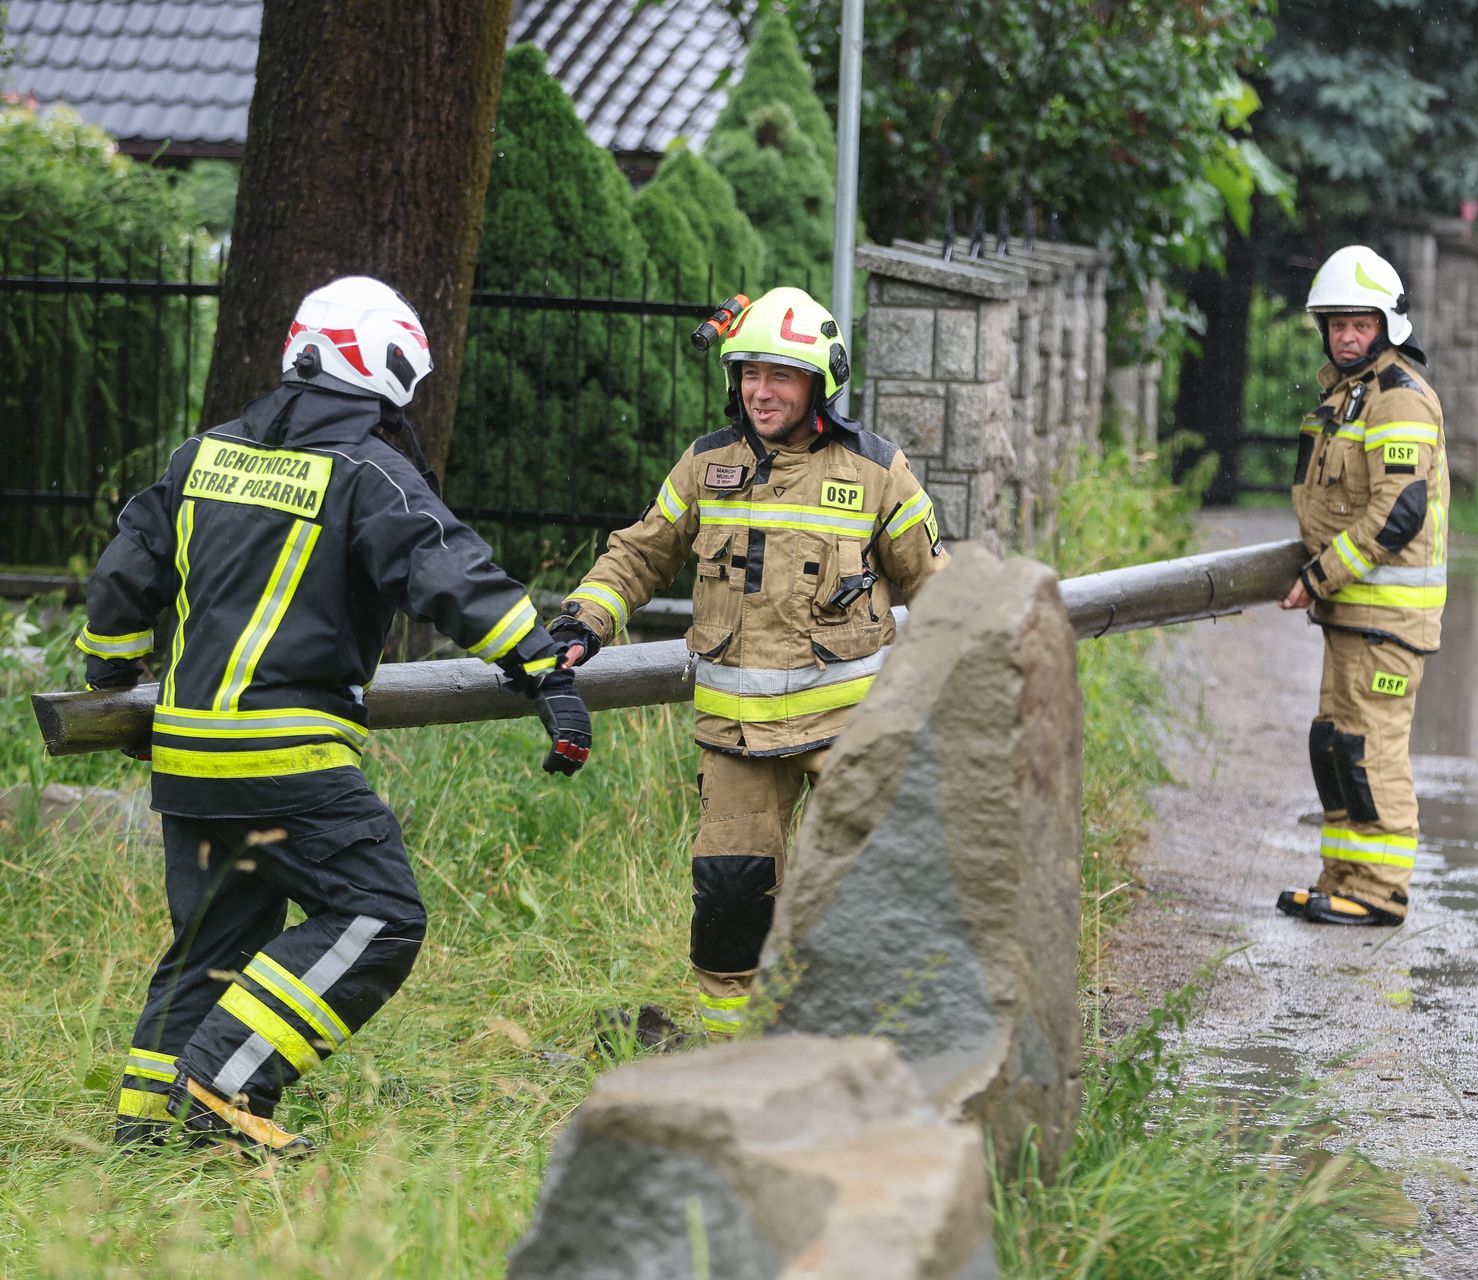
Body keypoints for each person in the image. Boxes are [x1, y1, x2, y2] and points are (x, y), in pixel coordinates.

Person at [80, 276, 592, 1155]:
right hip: (287, 759)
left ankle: (146, 1128)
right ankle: (224, 1086)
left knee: (211, 944)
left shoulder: (200, 454)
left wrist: (111, 666)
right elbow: (450, 574)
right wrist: (544, 669)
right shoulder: (365, 471)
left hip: (188, 757)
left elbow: (126, 574)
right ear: (386, 367)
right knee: (380, 916)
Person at [548, 286, 945, 1037]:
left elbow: (936, 586)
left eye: (781, 376)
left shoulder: (877, 472)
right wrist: (586, 618)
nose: (761, 391)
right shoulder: (706, 467)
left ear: (819, 382)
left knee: (864, 897)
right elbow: (638, 553)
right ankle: (733, 1063)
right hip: (735, 740)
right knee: (730, 905)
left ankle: (870, 1059)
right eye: (749, 373)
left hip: (846, 735)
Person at [1274, 245, 1450, 927]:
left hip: (1387, 615)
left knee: (1372, 749)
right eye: (1338, 324)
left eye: (1362, 325)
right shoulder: (1349, 397)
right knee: (1337, 746)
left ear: (1388, 325)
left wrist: (1319, 576)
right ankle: (1342, 878)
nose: (1349, 336)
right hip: (1351, 611)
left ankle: (1380, 891)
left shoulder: (1399, 397)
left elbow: (1396, 513)